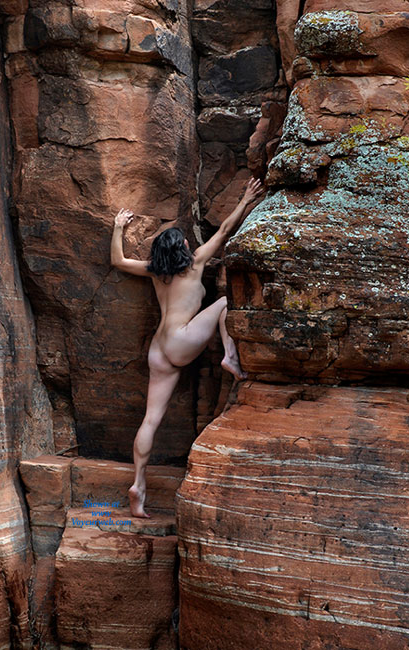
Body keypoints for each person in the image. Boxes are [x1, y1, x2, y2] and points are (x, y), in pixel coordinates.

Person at [110, 177, 264, 517]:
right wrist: (245, 198)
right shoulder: (194, 263)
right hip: (181, 341)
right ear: (181, 245)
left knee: (150, 420)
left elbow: (118, 261)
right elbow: (224, 230)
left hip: (158, 349)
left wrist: (119, 227)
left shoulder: (155, 271)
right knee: (226, 301)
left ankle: (138, 484)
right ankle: (230, 356)